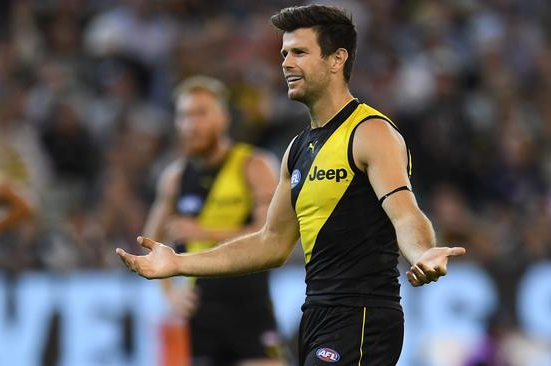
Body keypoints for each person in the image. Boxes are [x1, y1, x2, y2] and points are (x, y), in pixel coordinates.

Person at [117, 5, 466, 365]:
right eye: (284, 53)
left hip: (361, 314)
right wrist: (179, 263)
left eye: (299, 52)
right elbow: (271, 243)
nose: (285, 62)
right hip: (316, 315)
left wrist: (423, 251)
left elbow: (405, 214)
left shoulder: (370, 132)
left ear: (336, 59)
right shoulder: (298, 149)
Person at [142, 76, 285, 365]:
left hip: (250, 307)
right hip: (200, 314)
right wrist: (170, 294)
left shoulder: (253, 166)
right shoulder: (174, 178)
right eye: (184, 115)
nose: (192, 124)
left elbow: (270, 232)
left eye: (201, 113)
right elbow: (149, 242)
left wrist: (205, 231)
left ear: (224, 118)